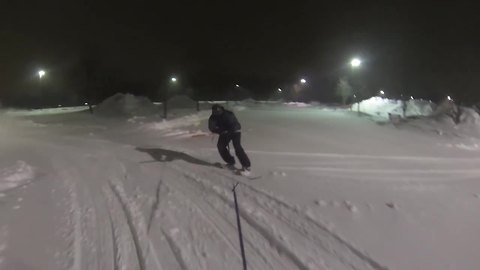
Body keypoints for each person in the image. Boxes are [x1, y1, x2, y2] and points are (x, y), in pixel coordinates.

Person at [208, 104, 251, 175]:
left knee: (237, 147)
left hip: (235, 131)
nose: (217, 113)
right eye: (215, 111)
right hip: (224, 132)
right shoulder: (213, 117)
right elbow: (212, 128)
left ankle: (246, 166)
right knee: (220, 146)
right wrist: (221, 131)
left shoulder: (228, 114)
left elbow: (233, 125)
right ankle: (230, 162)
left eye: (218, 111)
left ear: (222, 109)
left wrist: (225, 130)